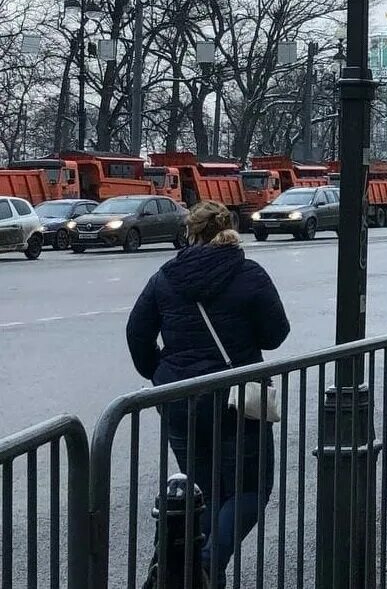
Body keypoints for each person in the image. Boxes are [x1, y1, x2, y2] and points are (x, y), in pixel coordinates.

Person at [126, 202, 289, 588]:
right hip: (237, 400)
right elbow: (275, 334)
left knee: (198, 486)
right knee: (250, 487)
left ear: (191, 233)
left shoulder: (165, 277)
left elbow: (137, 332)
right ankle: (206, 567)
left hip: (181, 399)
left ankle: (172, 568)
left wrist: (162, 373)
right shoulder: (248, 273)